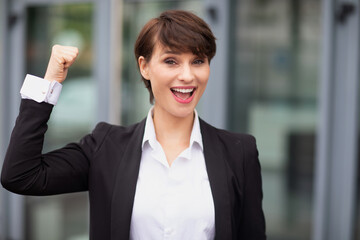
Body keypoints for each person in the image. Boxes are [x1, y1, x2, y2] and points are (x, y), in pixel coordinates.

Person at [1, 10, 266, 240]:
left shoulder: (239, 151)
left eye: (198, 61)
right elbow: (21, 175)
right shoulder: (106, 147)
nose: (187, 75)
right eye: (171, 61)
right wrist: (49, 83)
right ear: (144, 67)